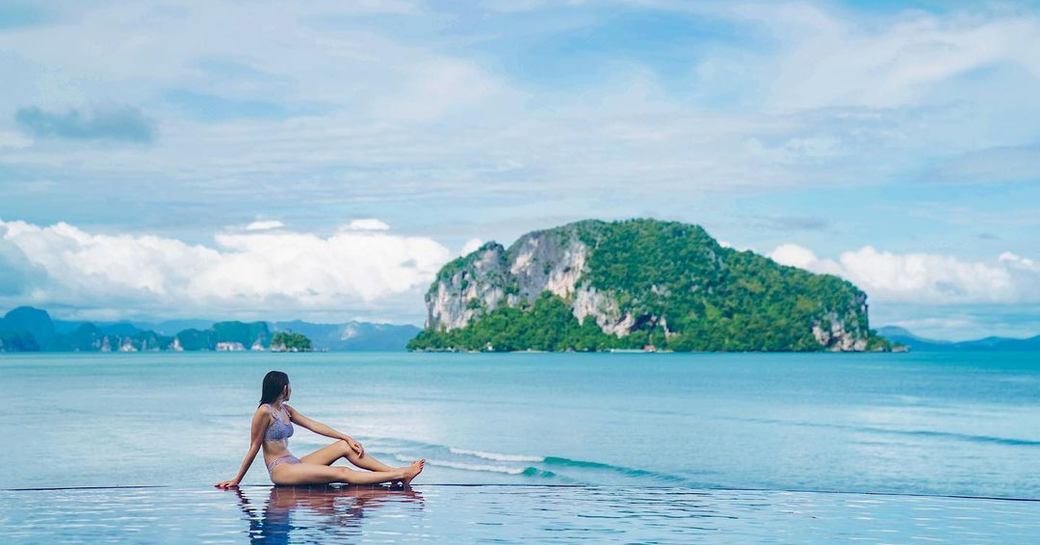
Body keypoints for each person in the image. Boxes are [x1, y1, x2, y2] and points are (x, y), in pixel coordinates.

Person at [215, 370, 424, 488]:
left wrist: (347, 437)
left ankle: (397, 473)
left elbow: (314, 426)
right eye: (289, 385)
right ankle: (400, 473)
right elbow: (253, 447)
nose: (291, 388)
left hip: (294, 462)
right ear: (283, 388)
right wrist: (237, 480)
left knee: (344, 447)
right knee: (342, 472)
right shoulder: (264, 412)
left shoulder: (285, 409)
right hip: (281, 470)